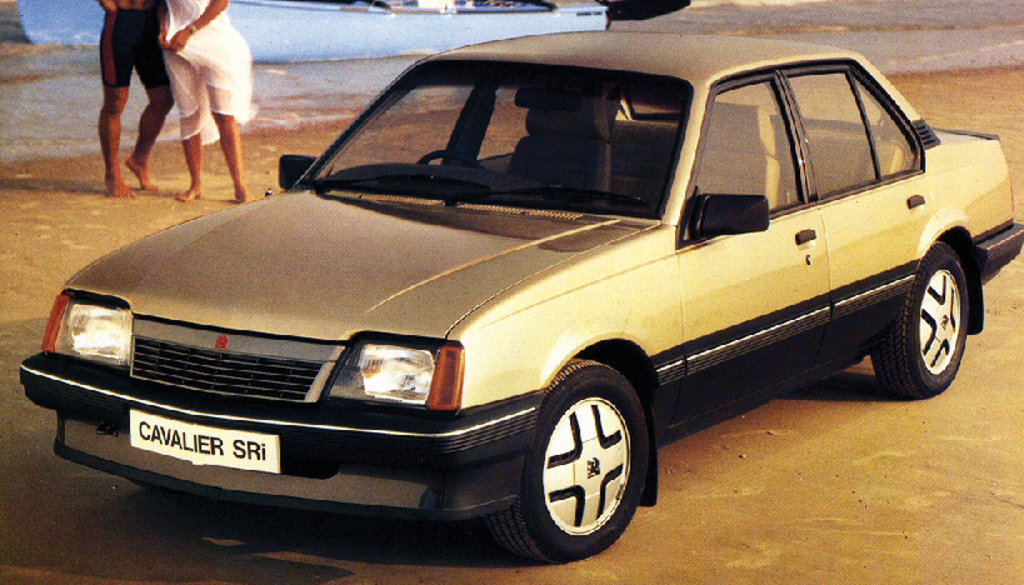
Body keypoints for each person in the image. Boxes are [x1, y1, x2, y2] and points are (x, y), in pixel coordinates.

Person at [159, 0, 255, 203]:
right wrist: (162, 27)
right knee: (189, 114)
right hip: (176, 43)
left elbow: (221, 2)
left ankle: (240, 186)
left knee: (224, 114)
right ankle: (195, 185)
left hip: (214, 40)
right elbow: (161, 5)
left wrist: (190, 30)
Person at [97, 0, 174, 199]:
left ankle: (139, 158)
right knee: (115, 102)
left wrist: (165, 24)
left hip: (152, 22)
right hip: (120, 21)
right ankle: (112, 173)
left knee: (163, 99)